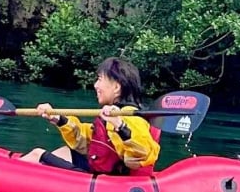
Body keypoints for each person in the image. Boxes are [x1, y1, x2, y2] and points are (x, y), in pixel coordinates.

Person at [18, 57, 160, 177]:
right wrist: (59, 119)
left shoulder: (129, 117)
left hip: (112, 183)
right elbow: (88, 141)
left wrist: (121, 127)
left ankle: (7, 181)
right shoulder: (114, 113)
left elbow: (143, 154)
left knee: (38, 154)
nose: (95, 85)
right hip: (104, 174)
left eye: (99, 79)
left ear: (116, 88)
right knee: (65, 152)